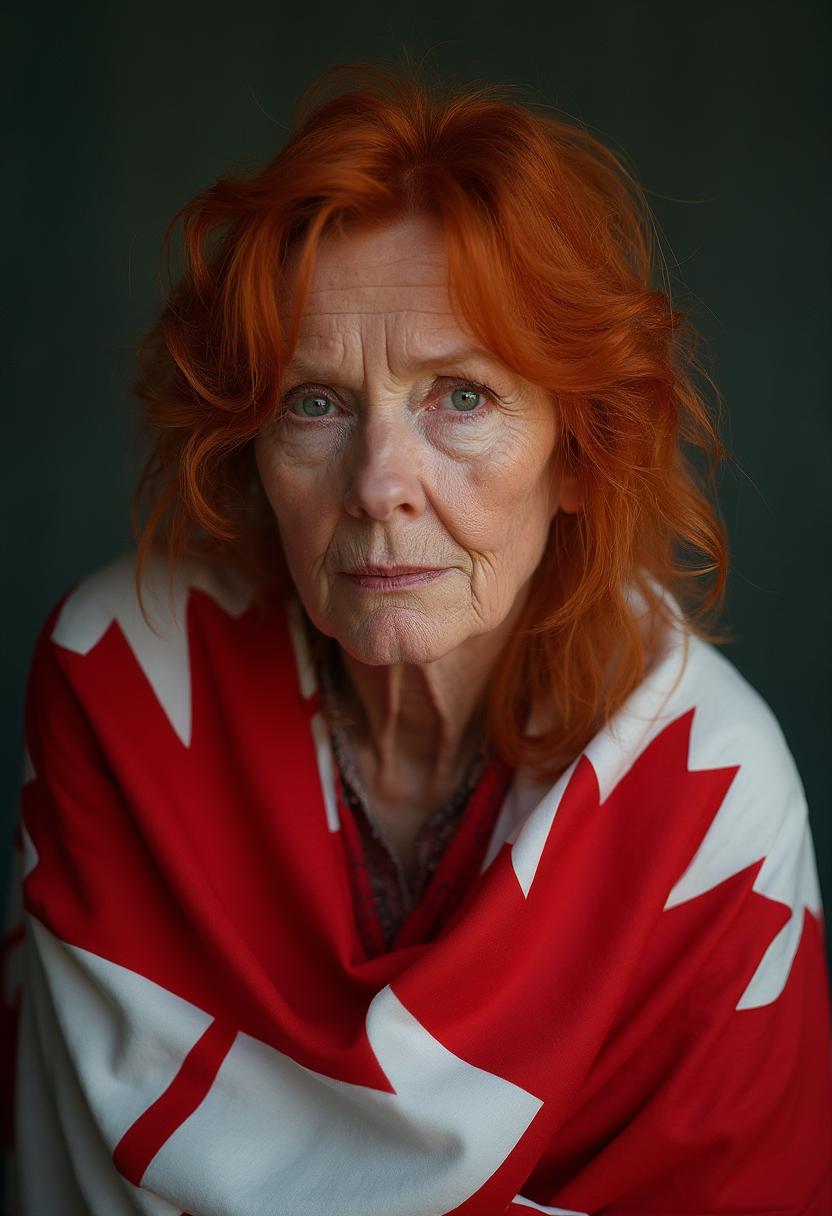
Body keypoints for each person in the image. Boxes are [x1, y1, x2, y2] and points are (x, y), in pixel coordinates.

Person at [3, 60, 831, 1216]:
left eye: (461, 396)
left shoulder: (712, 801)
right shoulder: (125, 681)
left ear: (581, 447)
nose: (379, 484)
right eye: (315, 402)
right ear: (250, 445)